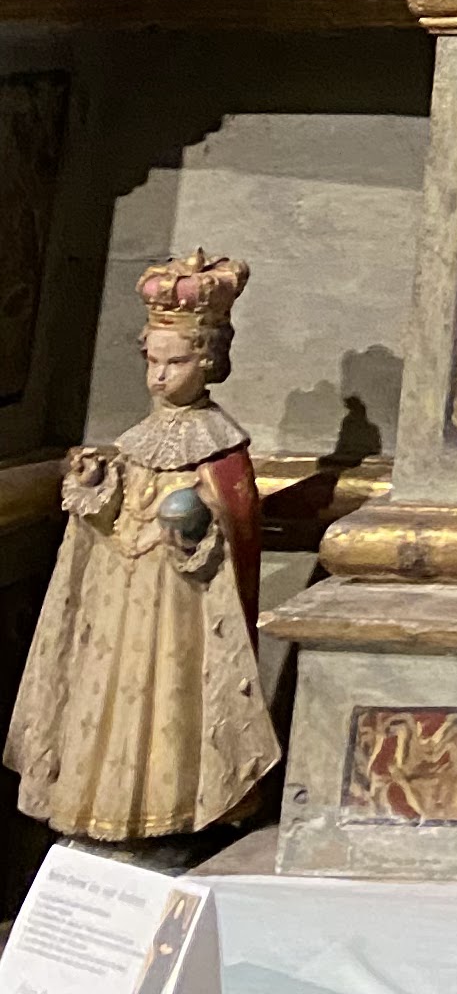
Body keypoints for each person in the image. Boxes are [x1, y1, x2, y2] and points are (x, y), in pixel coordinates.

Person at [5, 252, 274, 843]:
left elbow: (236, 524)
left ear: (209, 362)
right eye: (153, 360)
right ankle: (101, 814)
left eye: (176, 362)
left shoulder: (221, 449)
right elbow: (112, 519)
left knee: (168, 703)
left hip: (178, 607)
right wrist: (93, 487)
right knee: (106, 695)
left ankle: (169, 820)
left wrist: (198, 525)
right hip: (118, 603)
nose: (159, 376)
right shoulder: (135, 440)